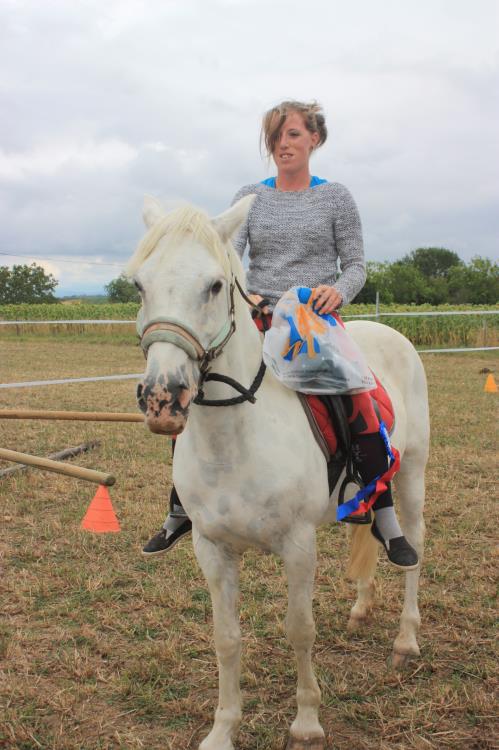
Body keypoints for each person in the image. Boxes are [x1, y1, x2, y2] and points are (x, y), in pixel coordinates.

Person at [142, 100, 418, 570]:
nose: (281, 144)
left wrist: (337, 291)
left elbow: (355, 264)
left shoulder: (336, 198)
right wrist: (247, 298)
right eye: (274, 137)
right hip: (259, 313)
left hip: (314, 318)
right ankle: (181, 505)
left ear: (314, 138)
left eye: (291, 134)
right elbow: (229, 253)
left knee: (356, 390)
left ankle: (381, 508)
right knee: (198, 381)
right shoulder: (251, 195)